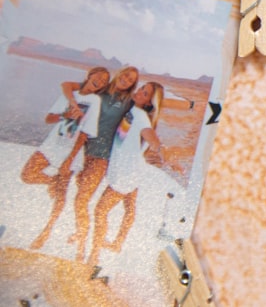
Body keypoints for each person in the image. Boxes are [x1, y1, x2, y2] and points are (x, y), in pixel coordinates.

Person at [20, 67, 110, 250]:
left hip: (70, 151)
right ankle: (52, 181)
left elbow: (84, 133)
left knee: (60, 197)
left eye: (104, 81)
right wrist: (65, 115)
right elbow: (49, 119)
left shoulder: (94, 101)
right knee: (27, 175)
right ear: (89, 75)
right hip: (51, 145)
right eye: (98, 76)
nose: (100, 81)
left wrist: (69, 159)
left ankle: (46, 232)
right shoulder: (70, 94)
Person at [64, 65, 139, 261]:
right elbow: (67, 85)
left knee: (81, 200)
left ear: (132, 85)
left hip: (102, 156)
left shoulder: (128, 102)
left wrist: (192, 105)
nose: (126, 80)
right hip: (83, 151)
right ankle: (81, 234)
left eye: (131, 80)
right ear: (119, 73)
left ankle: (84, 248)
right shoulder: (100, 90)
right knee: (80, 199)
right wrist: (72, 102)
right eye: (126, 75)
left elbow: (149, 109)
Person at [87, 81, 164, 266]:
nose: (139, 92)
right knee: (129, 208)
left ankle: (94, 255)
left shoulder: (141, 117)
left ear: (148, 103)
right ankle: (118, 243)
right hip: (132, 169)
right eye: (141, 89)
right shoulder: (133, 111)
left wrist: (157, 151)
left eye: (144, 93)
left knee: (100, 210)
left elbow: (153, 139)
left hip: (125, 173)